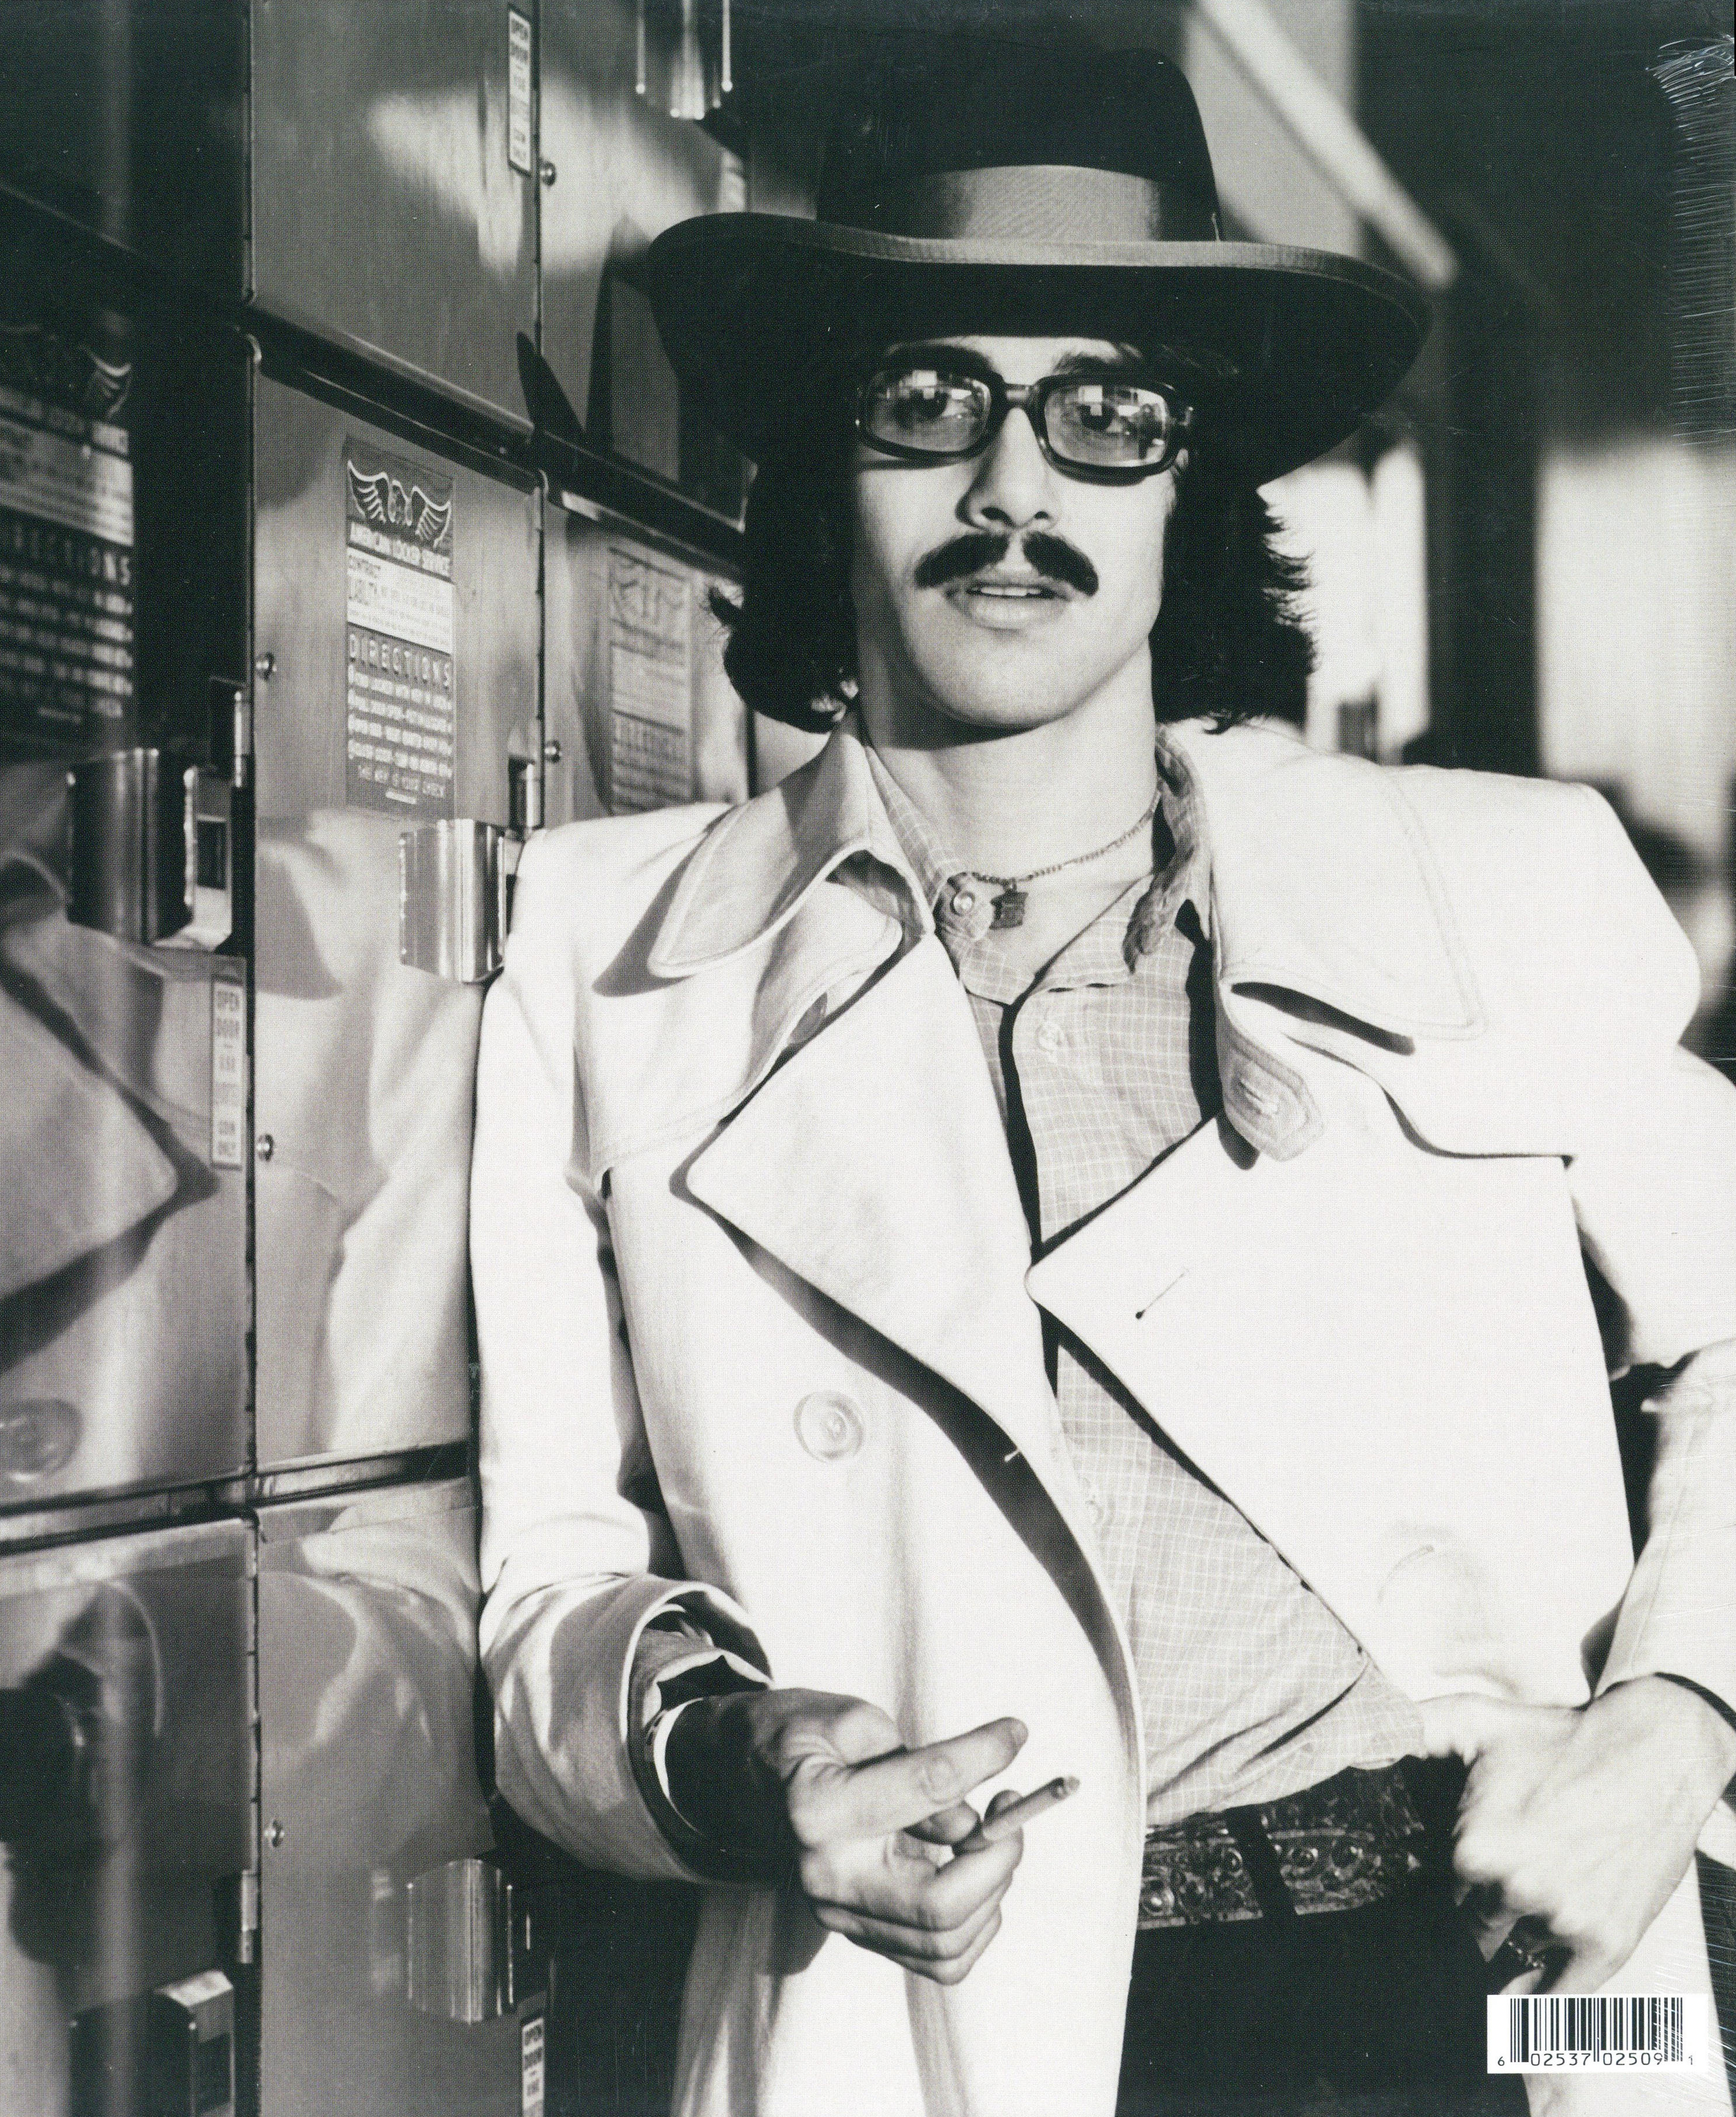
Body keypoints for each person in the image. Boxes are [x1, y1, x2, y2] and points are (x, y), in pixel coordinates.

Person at [471, 43, 1736, 2117]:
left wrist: (1676, 1716)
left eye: (1104, 415)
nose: (1013, 491)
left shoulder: (1490, 883)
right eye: (925, 400)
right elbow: (542, 1591)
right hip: (919, 2020)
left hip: (1469, 1997)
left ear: (1181, 486)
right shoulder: (601, 958)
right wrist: (728, 1754)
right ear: (825, 464)